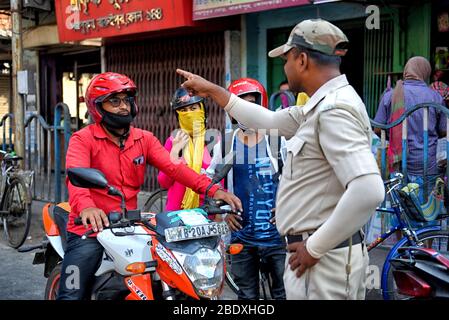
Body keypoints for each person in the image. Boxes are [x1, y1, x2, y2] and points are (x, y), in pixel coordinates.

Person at [176, 18, 385, 300]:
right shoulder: (319, 106)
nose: (284, 67)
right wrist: (214, 91)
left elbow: (368, 190)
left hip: (322, 261)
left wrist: (315, 247)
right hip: (317, 256)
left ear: (301, 60)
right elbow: (269, 119)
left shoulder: (333, 109)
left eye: (286, 59)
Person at [58, 72, 242, 300]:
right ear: (97, 107)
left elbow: (175, 169)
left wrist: (214, 190)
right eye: (114, 101)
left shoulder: (144, 138)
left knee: (176, 273)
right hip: (89, 229)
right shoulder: (82, 139)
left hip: (130, 226)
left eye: (127, 100)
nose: (124, 106)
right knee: (71, 293)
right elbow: (75, 179)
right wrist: (87, 207)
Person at [223, 78, 286, 300]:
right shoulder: (225, 143)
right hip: (241, 238)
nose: (247, 113)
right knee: (247, 296)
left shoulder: (277, 140)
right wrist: (225, 210)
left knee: (282, 294)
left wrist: (286, 206)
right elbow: (209, 183)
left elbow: (296, 178)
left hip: (277, 238)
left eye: (252, 106)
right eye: (241, 107)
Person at [374, 57, 447, 203]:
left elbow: (377, 128)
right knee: (425, 213)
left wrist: (395, 135)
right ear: (425, 72)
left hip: (397, 163)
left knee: (400, 213)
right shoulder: (435, 97)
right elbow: (444, 130)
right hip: (426, 165)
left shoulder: (390, 96)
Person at [158, 88, 221, 212]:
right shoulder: (173, 140)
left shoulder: (214, 141)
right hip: (177, 215)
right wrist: (175, 152)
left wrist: (220, 211)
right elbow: (163, 182)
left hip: (207, 215)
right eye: (183, 110)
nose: (188, 114)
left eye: (193, 109)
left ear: (202, 111)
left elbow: (221, 182)